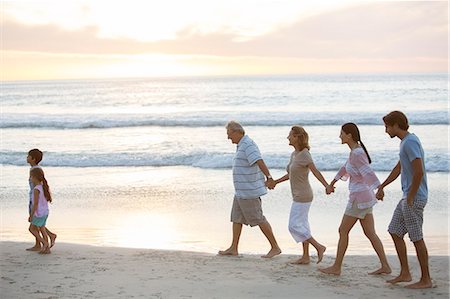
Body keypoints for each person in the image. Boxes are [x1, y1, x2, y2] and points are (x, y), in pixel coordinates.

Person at [319, 123, 391, 275]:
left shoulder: (357, 153)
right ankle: (385, 266)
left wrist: (379, 188)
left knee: (343, 230)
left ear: (349, 135)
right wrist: (332, 183)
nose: (340, 136)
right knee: (370, 233)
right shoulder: (355, 152)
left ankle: (336, 267)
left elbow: (367, 171)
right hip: (364, 197)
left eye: (342, 133)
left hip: (359, 198)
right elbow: (345, 168)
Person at [376, 111, 432, 289]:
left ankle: (426, 280)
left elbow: (418, 171)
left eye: (387, 126)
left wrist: (411, 196)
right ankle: (405, 273)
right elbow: (399, 167)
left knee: (416, 238)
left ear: (396, 125)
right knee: (394, 231)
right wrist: (382, 186)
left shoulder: (410, 142)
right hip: (407, 196)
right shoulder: (405, 143)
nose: (386, 131)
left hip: (413, 197)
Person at [218, 121, 281, 258]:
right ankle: (233, 248)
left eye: (229, 134)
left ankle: (275, 247)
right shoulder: (241, 145)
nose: (228, 137)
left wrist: (269, 178)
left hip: (249, 191)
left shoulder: (248, 145)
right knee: (236, 218)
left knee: (258, 218)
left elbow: (259, 161)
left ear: (237, 132)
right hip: (241, 191)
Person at [267, 126, 327, 264]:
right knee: (303, 225)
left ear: (297, 137)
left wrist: (326, 185)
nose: (288, 137)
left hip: (303, 196)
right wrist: (276, 181)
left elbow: (315, 171)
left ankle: (318, 246)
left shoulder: (305, 154)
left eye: (290, 135)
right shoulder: (294, 154)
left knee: (293, 226)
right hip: (298, 195)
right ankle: (305, 256)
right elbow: (290, 174)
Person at [26, 149, 56, 251]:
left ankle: (41, 243)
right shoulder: (34, 169)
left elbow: (38, 187)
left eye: (28, 156)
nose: (27, 158)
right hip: (35, 200)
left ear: (33, 159)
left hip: (34, 201)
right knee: (39, 224)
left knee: (36, 224)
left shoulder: (35, 170)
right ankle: (41, 242)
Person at [28, 167, 52, 254]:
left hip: (39, 213)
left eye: (31, 177)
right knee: (42, 229)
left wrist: (31, 215)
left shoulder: (36, 189)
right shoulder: (43, 187)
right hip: (45, 212)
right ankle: (47, 249)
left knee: (31, 229)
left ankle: (44, 243)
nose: (30, 179)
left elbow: (35, 204)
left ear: (35, 177)